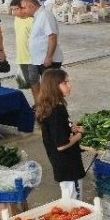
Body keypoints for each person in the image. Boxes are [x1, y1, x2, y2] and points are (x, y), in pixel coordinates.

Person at [35, 69, 86, 200]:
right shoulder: (56, 113)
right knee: (73, 201)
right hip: (68, 167)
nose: (70, 85)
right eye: (65, 82)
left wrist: (71, 128)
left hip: (63, 165)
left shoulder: (54, 107)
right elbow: (62, 145)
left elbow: (58, 133)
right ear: (54, 87)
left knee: (70, 196)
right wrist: (80, 134)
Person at [24, 0, 63, 77]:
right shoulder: (38, 16)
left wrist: (49, 57)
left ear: (31, 6)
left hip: (49, 61)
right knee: (48, 86)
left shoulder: (45, 15)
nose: (23, 11)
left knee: (51, 87)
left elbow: (52, 37)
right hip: (41, 60)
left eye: (24, 8)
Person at [9, 0, 39, 100]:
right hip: (22, 57)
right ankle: (38, 102)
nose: (13, 12)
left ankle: (40, 104)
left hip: (33, 58)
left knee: (34, 81)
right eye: (12, 9)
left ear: (23, 8)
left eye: (16, 9)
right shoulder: (17, 19)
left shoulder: (33, 20)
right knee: (30, 82)